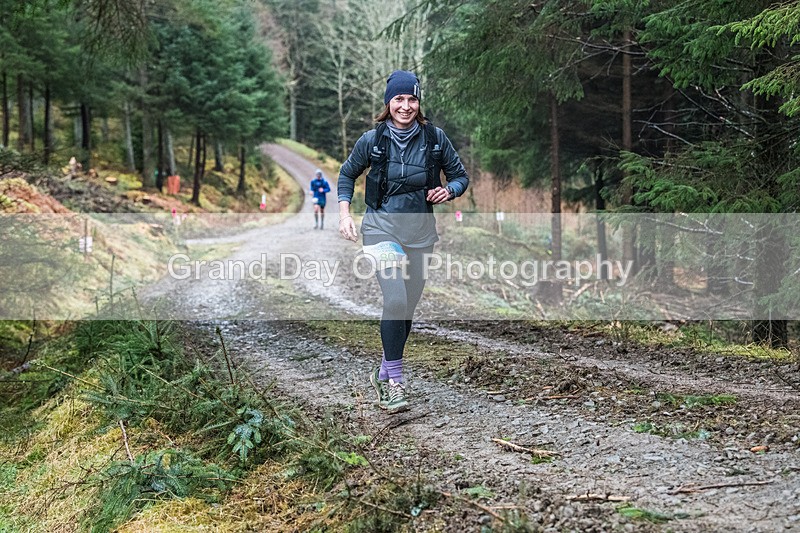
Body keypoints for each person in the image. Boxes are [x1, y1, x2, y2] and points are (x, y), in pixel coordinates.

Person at [337, 70, 469, 412]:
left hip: (420, 234)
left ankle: (383, 370)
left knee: (407, 309)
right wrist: (344, 214)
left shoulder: (435, 139)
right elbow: (347, 173)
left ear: (418, 102)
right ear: (388, 103)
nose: (406, 106)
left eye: (412, 99)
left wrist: (449, 190)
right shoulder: (372, 140)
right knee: (395, 299)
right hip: (381, 230)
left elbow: (459, 176)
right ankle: (395, 383)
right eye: (399, 99)